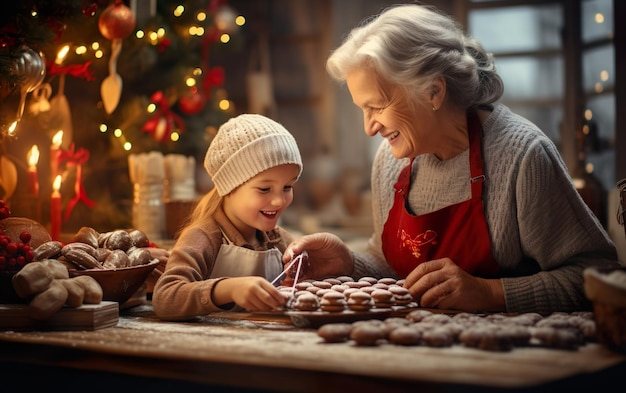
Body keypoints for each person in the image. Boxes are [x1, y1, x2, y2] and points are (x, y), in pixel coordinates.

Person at [283, 3, 622, 315]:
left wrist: (492, 293)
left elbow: (597, 275)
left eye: (377, 106)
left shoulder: (523, 155)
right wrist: (349, 261)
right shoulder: (391, 159)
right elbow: (395, 267)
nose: (369, 128)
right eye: (363, 109)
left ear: (433, 92)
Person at [152, 113, 302, 321]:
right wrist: (227, 289)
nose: (279, 201)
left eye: (288, 187)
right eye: (265, 188)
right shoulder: (204, 237)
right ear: (229, 187)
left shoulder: (280, 241)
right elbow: (166, 297)